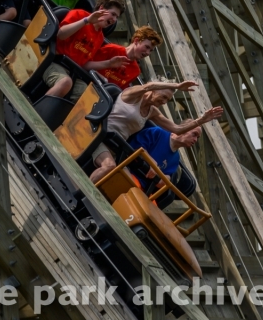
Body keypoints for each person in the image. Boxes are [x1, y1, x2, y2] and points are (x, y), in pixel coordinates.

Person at [88, 79, 223, 183]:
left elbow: (177, 129)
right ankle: (83, 193)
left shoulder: (152, 112)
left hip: (116, 146)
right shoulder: (134, 95)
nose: (164, 102)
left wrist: (201, 120)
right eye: (163, 97)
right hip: (99, 136)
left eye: (168, 100)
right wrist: (176, 86)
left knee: (127, 182)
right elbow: (147, 86)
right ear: (155, 90)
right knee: (109, 166)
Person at [43, 0, 126, 101]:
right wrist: (86, 21)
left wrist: (109, 63)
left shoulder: (100, 37)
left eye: (117, 17)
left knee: (92, 99)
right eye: (113, 14)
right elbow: (61, 34)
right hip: (54, 61)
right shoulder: (79, 14)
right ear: (101, 9)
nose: (114, 19)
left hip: (74, 72)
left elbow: (85, 64)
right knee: (65, 82)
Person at [128, 124, 201, 207]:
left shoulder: (176, 158)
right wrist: (151, 162)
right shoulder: (158, 132)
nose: (195, 140)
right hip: (131, 172)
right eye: (194, 134)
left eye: (197, 138)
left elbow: (164, 179)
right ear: (184, 128)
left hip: (145, 188)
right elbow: (134, 147)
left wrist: (166, 178)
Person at [86, 26, 162, 89]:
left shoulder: (135, 71)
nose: (147, 53)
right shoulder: (112, 49)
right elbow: (87, 66)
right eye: (146, 47)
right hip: (89, 82)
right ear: (136, 41)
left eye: (151, 50)